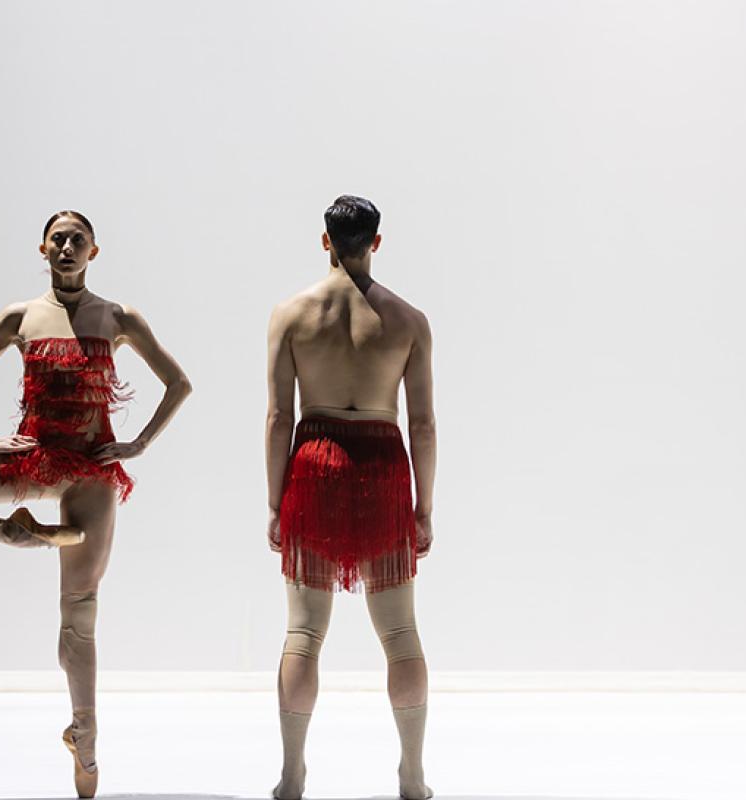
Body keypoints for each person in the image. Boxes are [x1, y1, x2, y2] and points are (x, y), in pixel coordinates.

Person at [0, 211, 192, 798]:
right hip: (32, 462)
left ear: (95, 251)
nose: (68, 246)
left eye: (79, 239)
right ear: (43, 248)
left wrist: (137, 443)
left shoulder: (118, 317)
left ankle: (86, 737)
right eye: (59, 238)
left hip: (90, 474)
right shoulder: (19, 316)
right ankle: (9, 532)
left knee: (79, 613)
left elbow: (178, 383)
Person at [265, 195, 436, 800]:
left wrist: (272, 501)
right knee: (400, 635)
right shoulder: (409, 320)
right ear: (377, 242)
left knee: (303, 634)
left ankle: (292, 775)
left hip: (314, 462)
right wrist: (424, 508)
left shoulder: (290, 315)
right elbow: (422, 427)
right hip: (384, 467)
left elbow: (280, 416)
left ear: (325, 241)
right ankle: (412, 776)